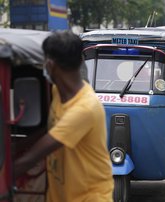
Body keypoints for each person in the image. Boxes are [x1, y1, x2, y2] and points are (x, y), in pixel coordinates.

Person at [14, 31, 114, 202]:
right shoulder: (58, 92)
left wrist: (7, 172)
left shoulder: (84, 109)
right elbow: (52, 129)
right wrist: (17, 146)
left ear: (50, 65)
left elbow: (32, 158)